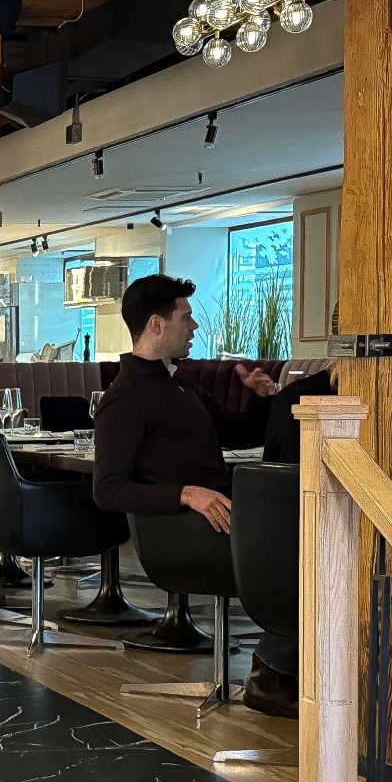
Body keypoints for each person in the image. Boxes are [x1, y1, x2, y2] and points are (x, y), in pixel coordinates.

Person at [91, 273, 295, 715]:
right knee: (299, 550)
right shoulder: (125, 398)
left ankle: (281, 670)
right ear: (156, 325)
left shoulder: (180, 383)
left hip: (218, 521)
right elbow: (107, 490)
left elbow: (238, 430)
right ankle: (272, 673)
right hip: (183, 537)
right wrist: (185, 494)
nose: (194, 327)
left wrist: (262, 397)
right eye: (186, 317)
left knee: (308, 533)